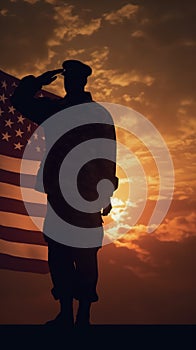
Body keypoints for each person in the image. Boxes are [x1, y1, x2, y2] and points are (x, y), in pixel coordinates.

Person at [11, 60, 118, 328]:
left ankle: (81, 314)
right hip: (61, 192)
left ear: (81, 82)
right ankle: (68, 313)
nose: (70, 82)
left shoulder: (88, 113)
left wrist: (106, 191)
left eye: (72, 78)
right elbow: (20, 101)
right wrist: (37, 82)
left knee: (83, 254)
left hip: (85, 194)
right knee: (60, 253)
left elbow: (107, 153)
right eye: (67, 78)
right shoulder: (58, 110)